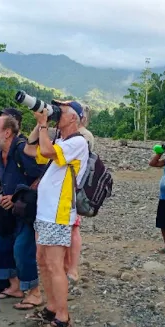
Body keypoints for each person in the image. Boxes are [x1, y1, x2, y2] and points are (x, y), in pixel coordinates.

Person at [23, 100, 89, 327]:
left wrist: (43, 127)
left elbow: (48, 151)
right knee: (42, 260)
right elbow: (30, 150)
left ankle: (63, 318)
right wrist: (40, 121)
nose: (58, 114)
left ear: (74, 118)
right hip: (45, 212)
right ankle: (52, 308)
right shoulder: (61, 140)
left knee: (54, 265)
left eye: (63, 112)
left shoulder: (79, 142)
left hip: (58, 213)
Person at [0, 109, 44, 310]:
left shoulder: (22, 149)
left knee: (22, 248)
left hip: (27, 208)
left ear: (8, 132)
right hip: (7, 210)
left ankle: (34, 293)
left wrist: (19, 195)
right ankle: (15, 286)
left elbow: (43, 173)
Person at [65, 104, 95, 283]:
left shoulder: (84, 136)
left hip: (75, 188)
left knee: (74, 228)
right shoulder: (82, 134)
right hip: (70, 188)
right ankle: (68, 266)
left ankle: (73, 268)